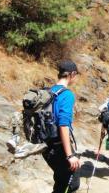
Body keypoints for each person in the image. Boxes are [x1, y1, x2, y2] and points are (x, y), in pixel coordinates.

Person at [42, 60, 81, 193]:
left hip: (47, 147)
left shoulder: (49, 91)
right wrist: (70, 155)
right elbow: (63, 125)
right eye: (76, 76)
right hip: (59, 148)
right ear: (72, 74)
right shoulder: (67, 95)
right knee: (72, 184)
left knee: (61, 181)